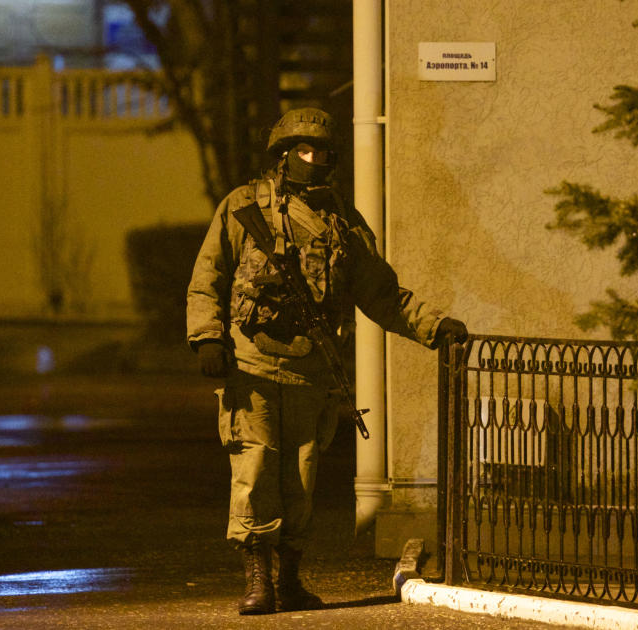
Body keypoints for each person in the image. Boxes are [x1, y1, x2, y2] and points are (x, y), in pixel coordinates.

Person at [185, 107, 468, 615]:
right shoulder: (243, 206)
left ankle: (288, 579)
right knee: (254, 468)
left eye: (320, 152)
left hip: (311, 367)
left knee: (301, 474)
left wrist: (432, 326)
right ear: (284, 155)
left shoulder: (341, 221)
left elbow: (381, 294)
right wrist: (208, 337)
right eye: (303, 151)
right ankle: (258, 581)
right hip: (251, 362)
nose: (312, 160)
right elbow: (209, 276)